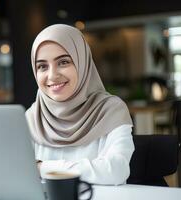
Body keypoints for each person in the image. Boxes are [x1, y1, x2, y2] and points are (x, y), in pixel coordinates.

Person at [25, 24, 134, 185]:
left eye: (63, 62)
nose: (52, 75)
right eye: (42, 66)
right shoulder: (33, 117)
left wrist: (43, 167)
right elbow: (17, 170)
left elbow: (116, 170)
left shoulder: (111, 110)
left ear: (82, 62)